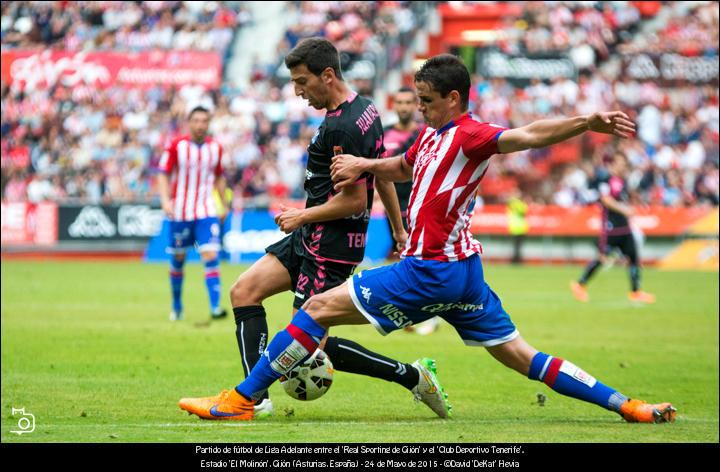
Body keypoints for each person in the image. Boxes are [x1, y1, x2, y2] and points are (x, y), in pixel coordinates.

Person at [179, 54, 675, 424]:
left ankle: (241, 400)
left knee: (313, 312)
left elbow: (528, 134)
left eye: (428, 102)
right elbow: (401, 166)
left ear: (454, 99)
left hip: (428, 270)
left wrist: (585, 122)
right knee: (523, 356)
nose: (420, 109)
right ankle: (627, 405)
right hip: (465, 277)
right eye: (418, 100)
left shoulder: (471, 134)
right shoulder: (431, 134)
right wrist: (364, 166)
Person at [219, 38, 450, 419]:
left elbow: (356, 201)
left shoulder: (344, 126)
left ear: (327, 75)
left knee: (307, 341)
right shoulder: (365, 110)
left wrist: (300, 215)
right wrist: (398, 228)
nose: (298, 91)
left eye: (302, 81)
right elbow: (380, 174)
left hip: (331, 243)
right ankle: (255, 399)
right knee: (244, 291)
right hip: (311, 236)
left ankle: (411, 375)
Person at [157, 105, 228, 322]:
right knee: (178, 258)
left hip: (206, 210)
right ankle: (177, 306)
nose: (200, 125)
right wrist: (165, 201)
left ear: (208, 123)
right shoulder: (176, 146)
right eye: (196, 120)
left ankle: (215, 307)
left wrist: (224, 203)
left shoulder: (216, 148)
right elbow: (163, 174)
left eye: (204, 121)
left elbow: (219, 177)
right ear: (189, 123)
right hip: (180, 211)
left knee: (210, 254)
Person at [570, 154, 656, 303]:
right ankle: (580, 284)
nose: (622, 167)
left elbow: (622, 199)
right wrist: (625, 210)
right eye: (620, 163)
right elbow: (605, 199)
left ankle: (636, 292)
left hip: (625, 227)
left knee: (634, 258)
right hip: (611, 228)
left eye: (624, 164)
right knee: (602, 258)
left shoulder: (622, 181)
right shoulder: (605, 180)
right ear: (612, 165)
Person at [507, 190, 529, 265]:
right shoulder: (519, 203)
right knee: (518, 246)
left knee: (516, 246)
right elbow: (524, 211)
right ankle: (516, 260)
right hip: (520, 228)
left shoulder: (511, 203)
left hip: (514, 228)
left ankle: (515, 260)